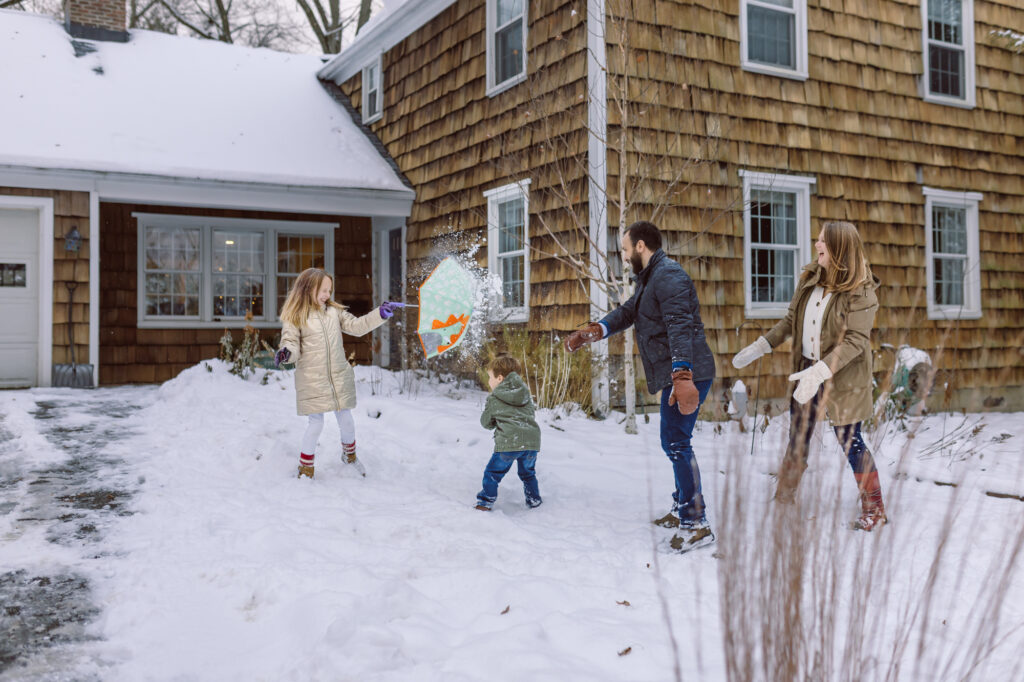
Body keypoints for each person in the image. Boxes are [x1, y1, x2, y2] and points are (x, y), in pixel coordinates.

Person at [564, 221, 717, 553]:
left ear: (641, 246)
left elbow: (680, 326)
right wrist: (594, 332)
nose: (622, 255)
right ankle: (683, 508)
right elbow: (626, 313)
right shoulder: (651, 279)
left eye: (624, 249)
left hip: (690, 374)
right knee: (674, 441)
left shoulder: (669, 276)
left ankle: (695, 524)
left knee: (676, 442)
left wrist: (682, 376)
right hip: (682, 373)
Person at [732, 221, 886, 531]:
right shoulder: (810, 279)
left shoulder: (862, 290)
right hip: (807, 370)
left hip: (842, 377)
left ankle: (874, 505)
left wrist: (821, 372)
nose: (817, 245)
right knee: (798, 435)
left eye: (823, 242)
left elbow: (855, 341)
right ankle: (785, 495)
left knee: (849, 440)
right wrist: (762, 345)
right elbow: (791, 321)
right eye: (817, 240)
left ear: (840, 249)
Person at [275, 267, 404, 479]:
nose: (327, 295)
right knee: (316, 424)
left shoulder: (334, 312)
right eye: (323, 290)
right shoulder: (296, 317)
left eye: (329, 290)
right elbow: (291, 343)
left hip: (338, 377)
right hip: (312, 380)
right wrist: (286, 353)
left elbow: (357, 326)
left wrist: (379, 314)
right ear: (308, 289)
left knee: (346, 419)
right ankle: (305, 468)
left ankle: (349, 455)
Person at [475, 354, 542, 511]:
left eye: (490, 377)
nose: (489, 381)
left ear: (499, 378)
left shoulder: (495, 398)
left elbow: (486, 423)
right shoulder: (525, 394)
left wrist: (492, 416)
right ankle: (534, 499)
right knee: (528, 474)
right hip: (531, 442)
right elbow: (529, 415)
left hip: (509, 443)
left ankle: (485, 502)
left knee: (492, 473)